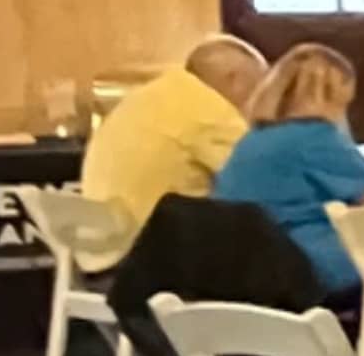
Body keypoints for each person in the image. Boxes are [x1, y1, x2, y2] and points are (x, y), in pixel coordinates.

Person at [210, 45, 364, 301]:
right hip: (310, 265)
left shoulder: (252, 140)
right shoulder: (314, 136)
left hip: (252, 268)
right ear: (334, 95)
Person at [81, 34, 266, 236]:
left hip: (101, 241)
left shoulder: (152, 95)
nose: (262, 100)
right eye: (261, 86)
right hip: (153, 243)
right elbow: (258, 178)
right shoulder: (209, 109)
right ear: (234, 79)